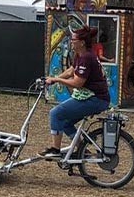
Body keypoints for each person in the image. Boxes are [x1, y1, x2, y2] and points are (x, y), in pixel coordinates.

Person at [40, 26, 110, 157]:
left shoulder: (86, 58)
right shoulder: (81, 55)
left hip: (96, 99)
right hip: (93, 97)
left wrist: (57, 80)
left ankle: (55, 150)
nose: (71, 41)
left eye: (73, 40)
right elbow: (71, 71)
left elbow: (77, 83)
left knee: (55, 113)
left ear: (82, 42)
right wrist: (53, 79)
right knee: (66, 124)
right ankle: (83, 150)